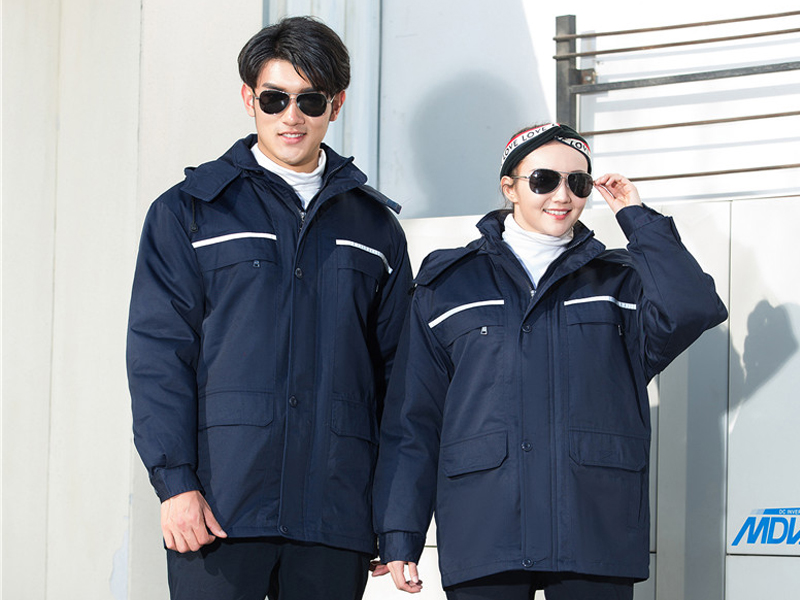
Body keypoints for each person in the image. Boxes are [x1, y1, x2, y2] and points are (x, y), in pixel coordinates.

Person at [371, 123, 727, 599]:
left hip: (593, 526)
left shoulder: (620, 282)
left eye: (578, 183)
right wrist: (400, 532)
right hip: (485, 527)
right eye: (544, 180)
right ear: (509, 187)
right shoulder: (450, 284)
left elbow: (693, 308)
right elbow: (414, 418)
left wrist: (637, 218)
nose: (563, 196)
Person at [127, 16, 412, 600]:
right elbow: (159, 357)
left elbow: (400, 383)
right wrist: (175, 483)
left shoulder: (375, 228)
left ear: (336, 105)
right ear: (248, 99)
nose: (292, 116)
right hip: (220, 507)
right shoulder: (190, 212)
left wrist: (394, 515)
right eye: (275, 98)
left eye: (311, 100)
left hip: (334, 513)